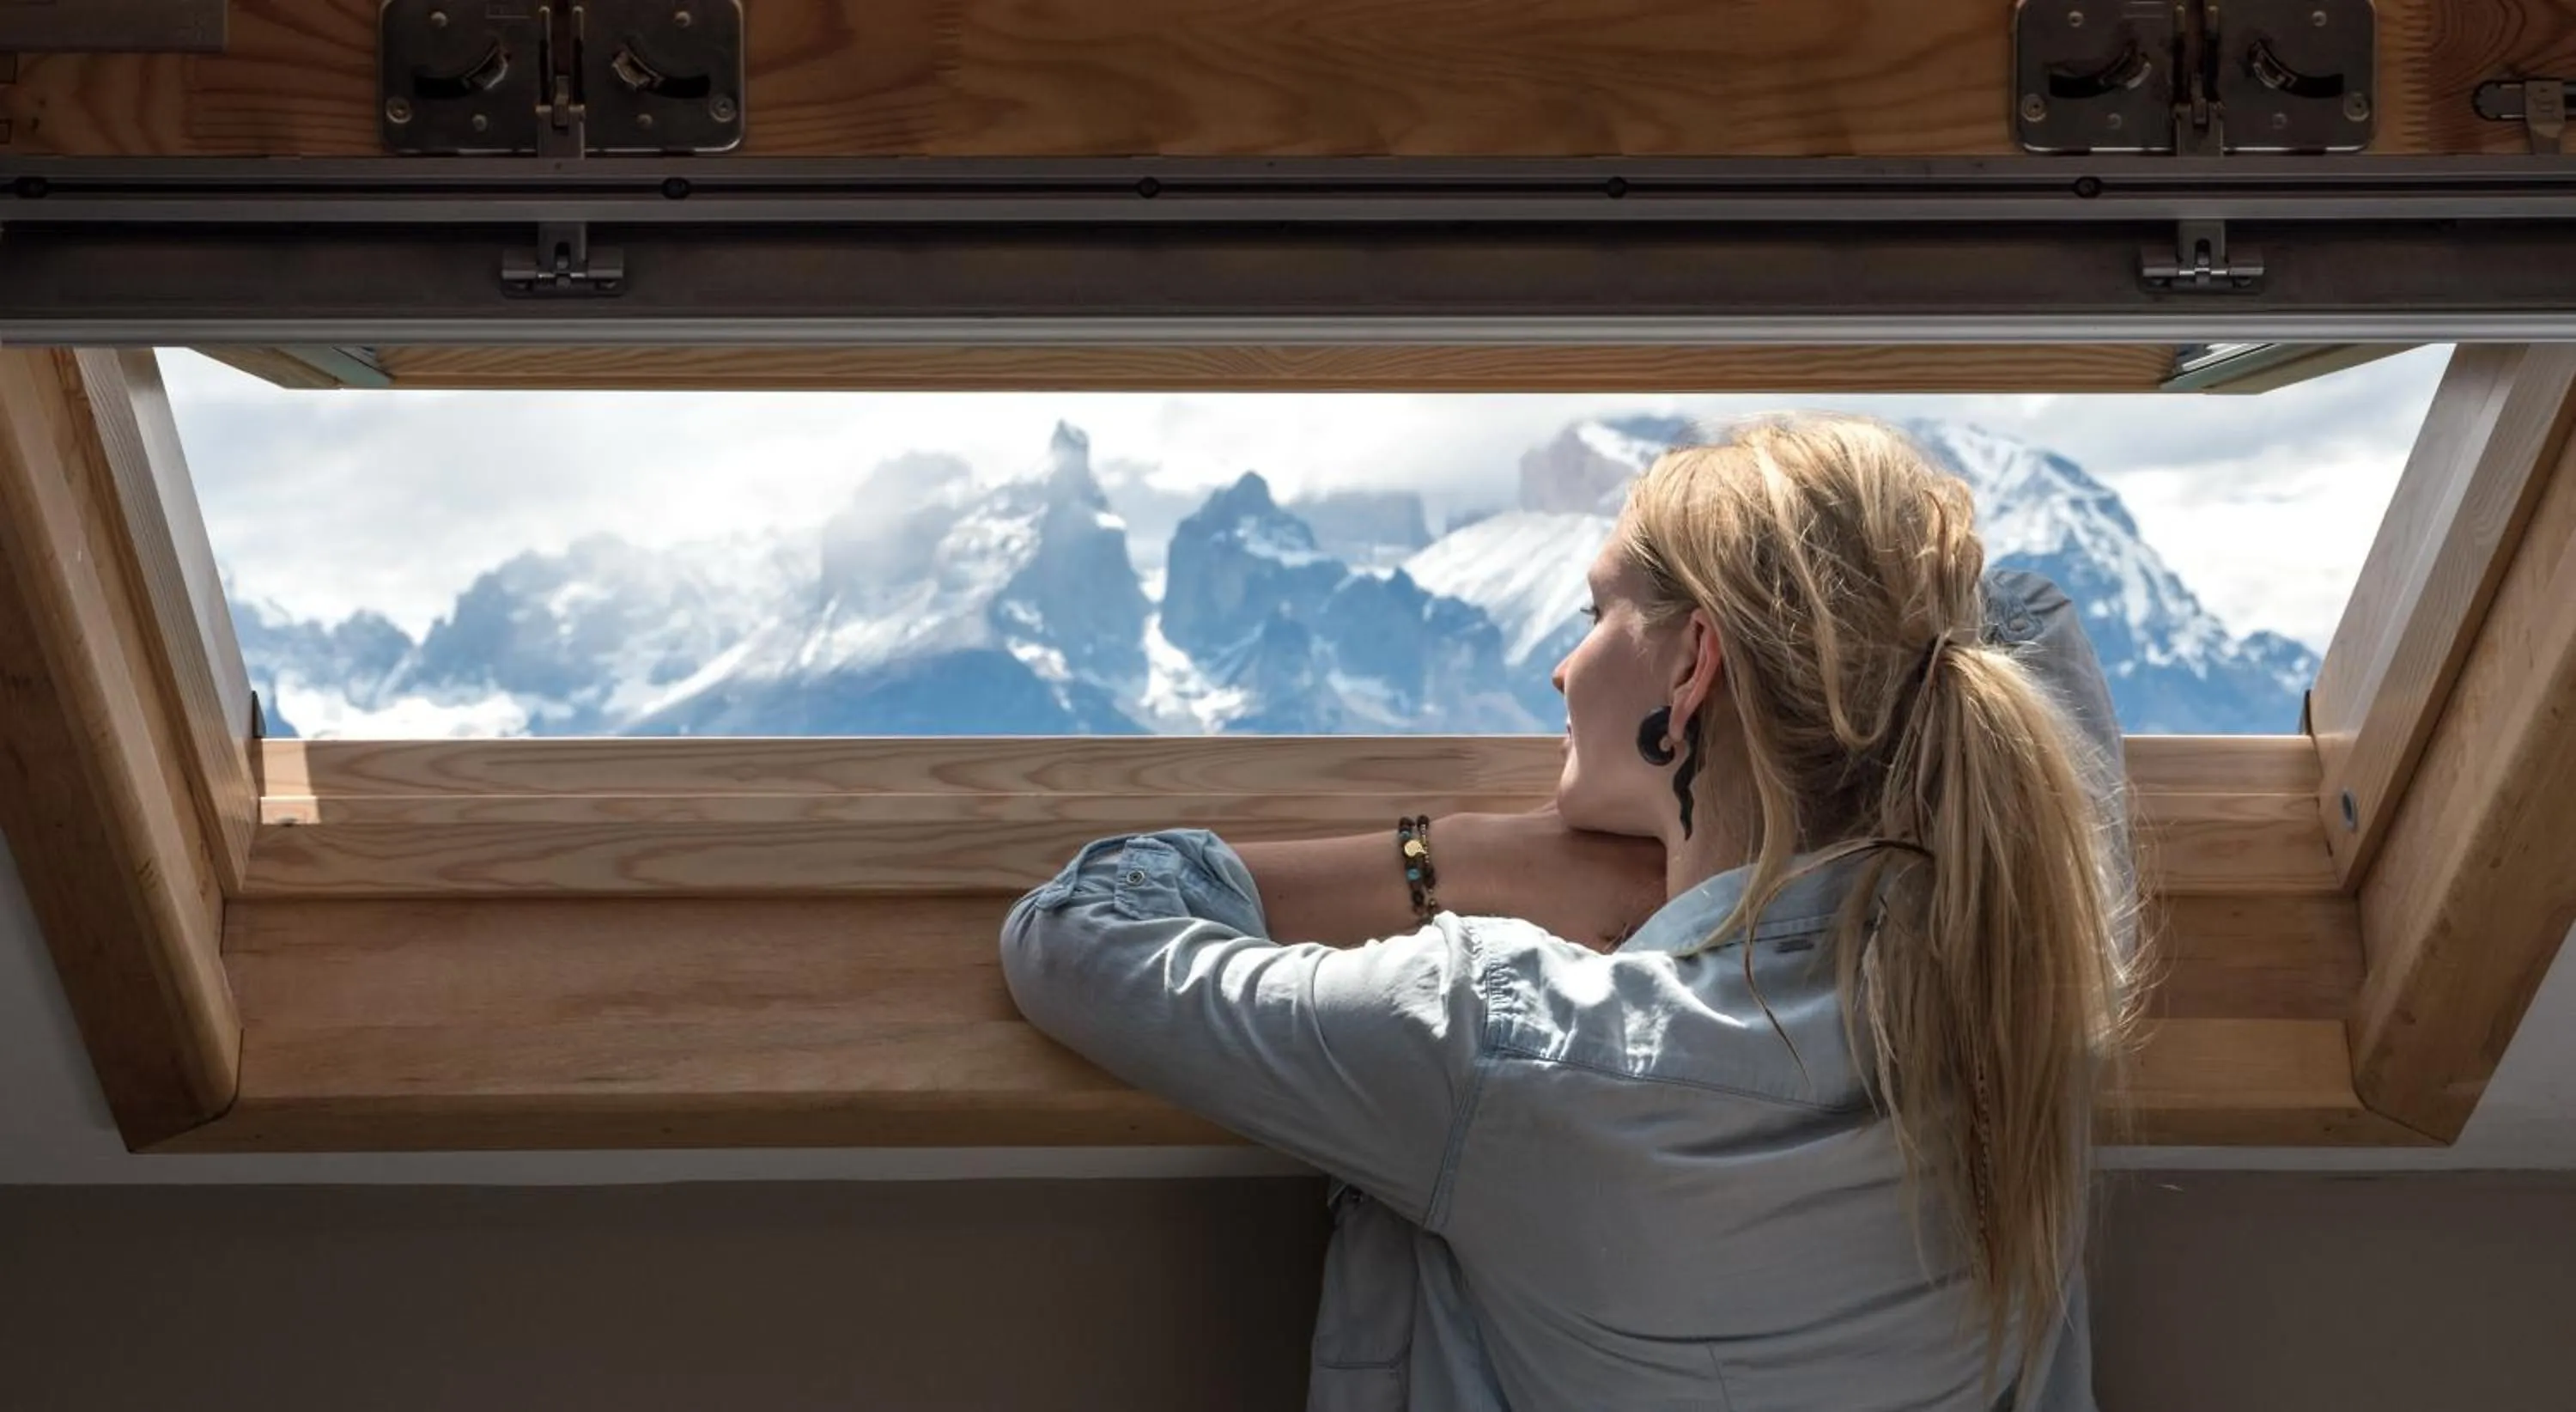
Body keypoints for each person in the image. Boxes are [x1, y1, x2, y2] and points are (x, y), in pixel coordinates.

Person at [999, 413, 2142, 1412]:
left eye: (1596, 614)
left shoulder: (1504, 1041)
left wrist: (1460, 855)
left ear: (1693, 667)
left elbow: (1077, 928)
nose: (1560, 670)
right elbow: (2018, 613)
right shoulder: (2032, 965)